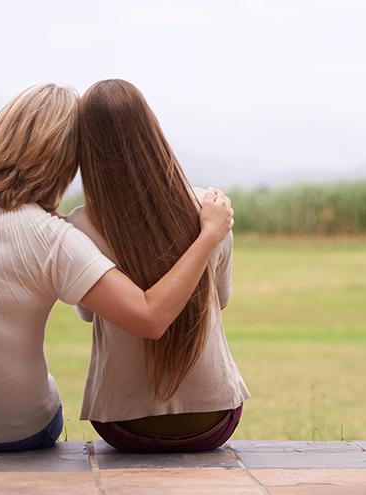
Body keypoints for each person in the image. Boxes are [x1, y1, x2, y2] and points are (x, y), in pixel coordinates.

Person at [0, 83, 233, 452]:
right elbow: (150, 317)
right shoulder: (53, 237)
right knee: (43, 391)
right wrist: (209, 235)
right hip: (19, 429)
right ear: (68, 161)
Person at [67, 79, 249, 453]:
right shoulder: (210, 210)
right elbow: (221, 298)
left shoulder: (79, 226)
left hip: (122, 424)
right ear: (153, 131)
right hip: (213, 420)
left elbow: (88, 313)